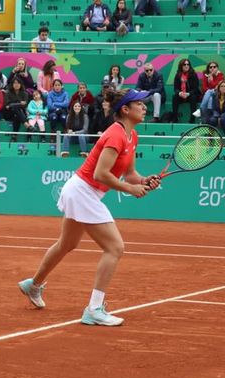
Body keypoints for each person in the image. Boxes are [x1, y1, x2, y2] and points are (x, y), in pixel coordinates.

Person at [18, 88, 160, 326]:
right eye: (140, 103)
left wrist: (144, 181)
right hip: (83, 191)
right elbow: (101, 174)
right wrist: (130, 189)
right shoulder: (115, 134)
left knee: (67, 243)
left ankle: (33, 285)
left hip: (83, 191)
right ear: (125, 109)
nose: (145, 107)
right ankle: (94, 309)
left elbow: (130, 173)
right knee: (115, 247)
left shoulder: (132, 136)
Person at [171, 58, 200, 123]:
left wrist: (188, 94)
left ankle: (192, 119)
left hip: (191, 95)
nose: (186, 66)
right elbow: (175, 89)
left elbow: (195, 88)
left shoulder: (193, 74)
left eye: (188, 64)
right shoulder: (178, 75)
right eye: (184, 64)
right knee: (175, 97)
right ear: (181, 66)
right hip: (182, 95)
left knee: (193, 97)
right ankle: (175, 118)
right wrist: (180, 93)